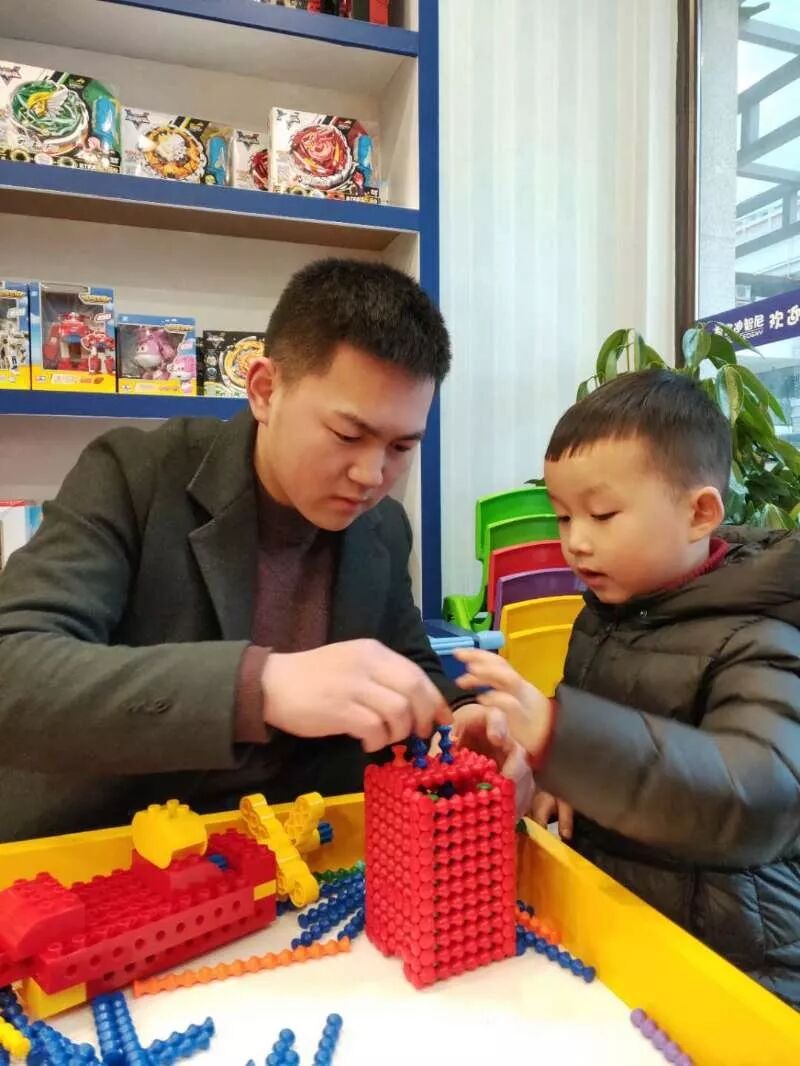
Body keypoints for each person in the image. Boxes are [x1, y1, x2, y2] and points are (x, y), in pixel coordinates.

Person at [0, 258, 485, 842]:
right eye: (347, 435)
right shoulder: (134, 476)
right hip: (125, 849)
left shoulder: (381, 526)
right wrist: (260, 686)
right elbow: (14, 670)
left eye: (402, 447)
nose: (372, 474)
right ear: (264, 390)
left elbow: (408, 665)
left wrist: (464, 718)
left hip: (308, 851)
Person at [453, 369, 800, 1008]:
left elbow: (754, 797)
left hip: (730, 969)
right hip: (619, 938)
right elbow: (610, 760)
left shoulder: (761, 636)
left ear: (699, 513)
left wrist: (562, 739)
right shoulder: (605, 615)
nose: (575, 542)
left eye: (603, 514)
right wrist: (541, 766)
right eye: (563, 517)